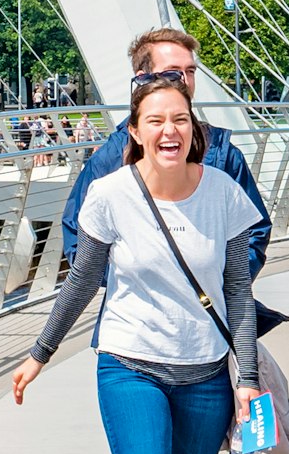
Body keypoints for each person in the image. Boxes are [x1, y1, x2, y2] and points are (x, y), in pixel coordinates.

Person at [12, 72, 264, 454]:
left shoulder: (224, 195)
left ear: (195, 129)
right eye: (155, 121)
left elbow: (238, 294)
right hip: (129, 365)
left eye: (179, 120)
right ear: (135, 131)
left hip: (204, 371)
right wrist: (40, 353)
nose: (169, 131)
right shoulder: (109, 195)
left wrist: (248, 379)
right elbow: (83, 281)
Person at [59, 25, 271, 289]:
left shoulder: (223, 153)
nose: (184, 80)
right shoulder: (110, 158)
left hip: (206, 314)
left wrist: (215, 282)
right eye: (173, 72)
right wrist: (134, 284)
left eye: (190, 71)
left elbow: (254, 232)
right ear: (143, 78)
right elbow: (77, 239)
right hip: (133, 321)